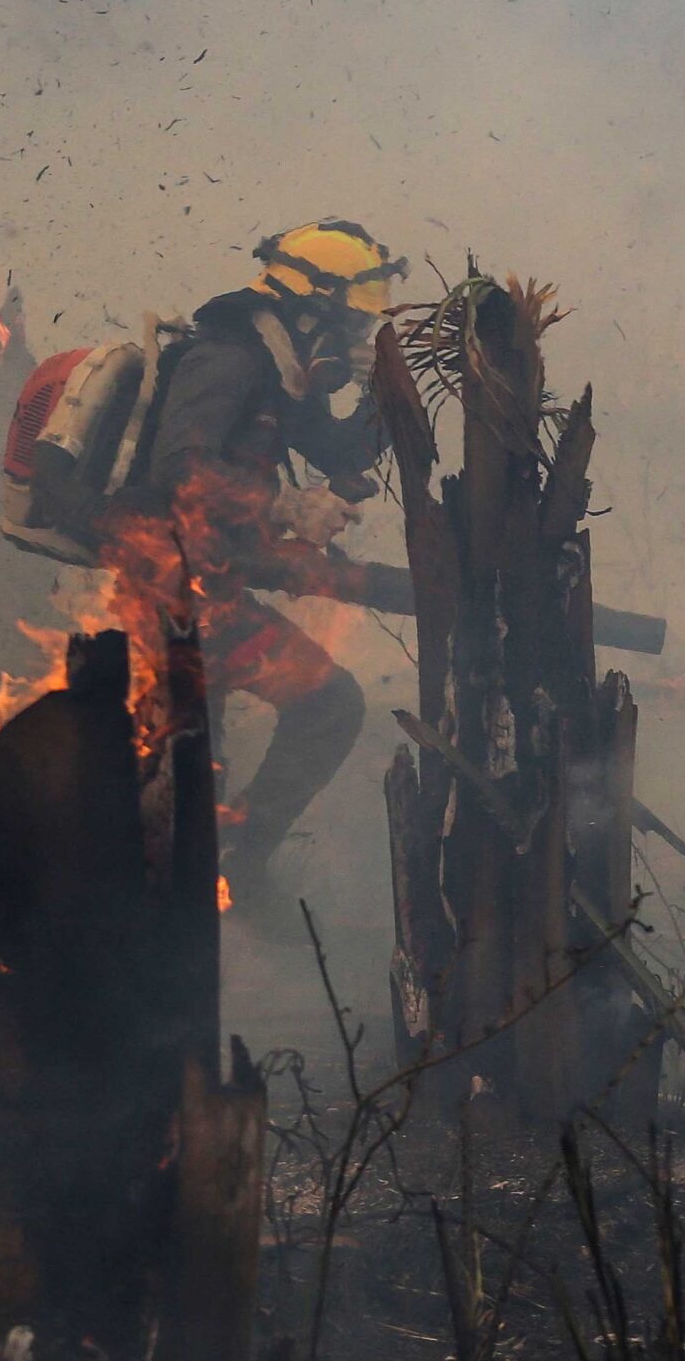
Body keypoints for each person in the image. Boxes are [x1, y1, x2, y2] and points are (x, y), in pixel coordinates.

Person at [91, 219, 403, 902]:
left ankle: (229, 866)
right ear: (309, 310)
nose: (353, 345)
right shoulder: (230, 359)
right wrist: (288, 507)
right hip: (166, 592)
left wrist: (389, 393)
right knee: (204, 759)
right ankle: (210, 890)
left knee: (309, 712)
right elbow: (181, 467)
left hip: (211, 590)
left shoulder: (284, 378)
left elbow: (343, 453)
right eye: (350, 329)